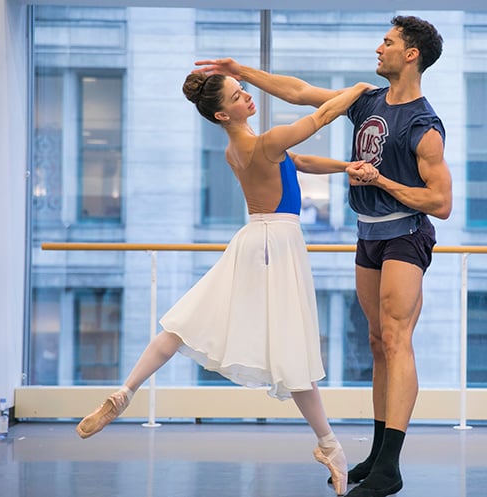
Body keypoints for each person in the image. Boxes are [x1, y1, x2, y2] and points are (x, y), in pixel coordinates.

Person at [75, 71, 377, 497]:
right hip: (277, 243)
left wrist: (346, 167)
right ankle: (329, 445)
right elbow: (323, 116)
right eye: (239, 96)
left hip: (253, 239)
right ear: (221, 112)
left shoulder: (236, 151)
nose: (248, 97)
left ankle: (126, 391)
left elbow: (300, 162)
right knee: (292, 351)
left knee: (185, 324)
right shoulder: (266, 142)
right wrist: (361, 91)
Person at [194, 14, 453, 497]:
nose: (380, 48)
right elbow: (298, 92)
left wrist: (382, 181)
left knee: (397, 339)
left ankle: (390, 468)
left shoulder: (424, 126)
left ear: (411, 54)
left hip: (405, 234)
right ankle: (377, 454)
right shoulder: (367, 101)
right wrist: (242, 71)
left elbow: (441, 204)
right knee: (377, 341)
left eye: (389, 42)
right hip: (368, 233)